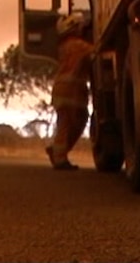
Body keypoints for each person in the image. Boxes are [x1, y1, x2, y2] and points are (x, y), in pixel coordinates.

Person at [46, 12, 94, 170]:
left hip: (67, 90)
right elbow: (95, 50)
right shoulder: (76, 45)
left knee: (73, 121)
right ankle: (60, 158)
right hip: (70, 91)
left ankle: (58, 152)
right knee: (67, 124)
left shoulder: (66, 46)